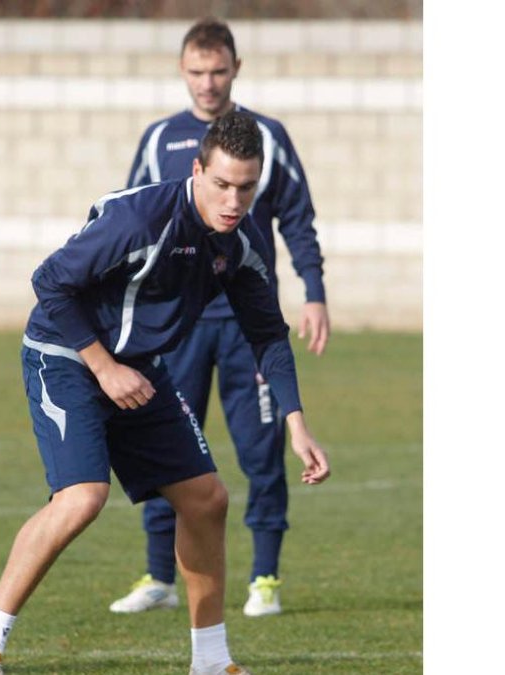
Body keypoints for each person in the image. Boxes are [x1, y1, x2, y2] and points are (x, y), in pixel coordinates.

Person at [0, 112, 331, 675]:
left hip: (138, 371)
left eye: (247, 188)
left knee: (207, 500)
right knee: (82, 497)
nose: (233, 200)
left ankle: (211, 662)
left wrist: (297, 423)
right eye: (222, 184)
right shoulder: (139, 219)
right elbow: (49, 282)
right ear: (197, 170)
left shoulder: (242, 241)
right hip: (65, 356)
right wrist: (104, 368)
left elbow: (269, 335)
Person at [110, 17, 329, 619]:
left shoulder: (270, 137)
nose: (208, 84)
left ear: (236, 70)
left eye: (218, 71)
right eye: (197, 72)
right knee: (166, 447)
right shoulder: (161, 140)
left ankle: (265, 577)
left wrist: (313, 292)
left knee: (260, 450)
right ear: (183, 72)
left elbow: (299, 218)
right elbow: (132, 218)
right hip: (174, 326)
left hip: (243, 323)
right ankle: (158, 575)